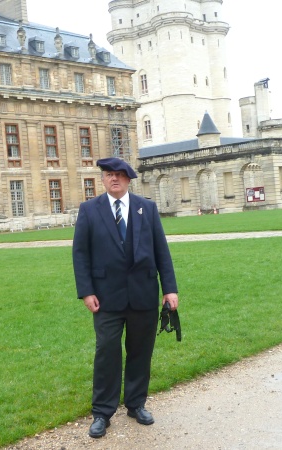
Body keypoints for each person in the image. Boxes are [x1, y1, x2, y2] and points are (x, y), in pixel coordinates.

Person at [72, 157, 179, 439]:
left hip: (143, 294)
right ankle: (102, 413)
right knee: (107, 352)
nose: (114, 179)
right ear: (103, 179)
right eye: (109, 175)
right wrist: (86, 291)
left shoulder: (148, 208)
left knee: (140, 352)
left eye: (119, 175)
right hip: (105, 298)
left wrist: (170, 289)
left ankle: (136, 404)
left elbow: (161, 252)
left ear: (129, 179)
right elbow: (80, 254)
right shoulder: (89, 210)